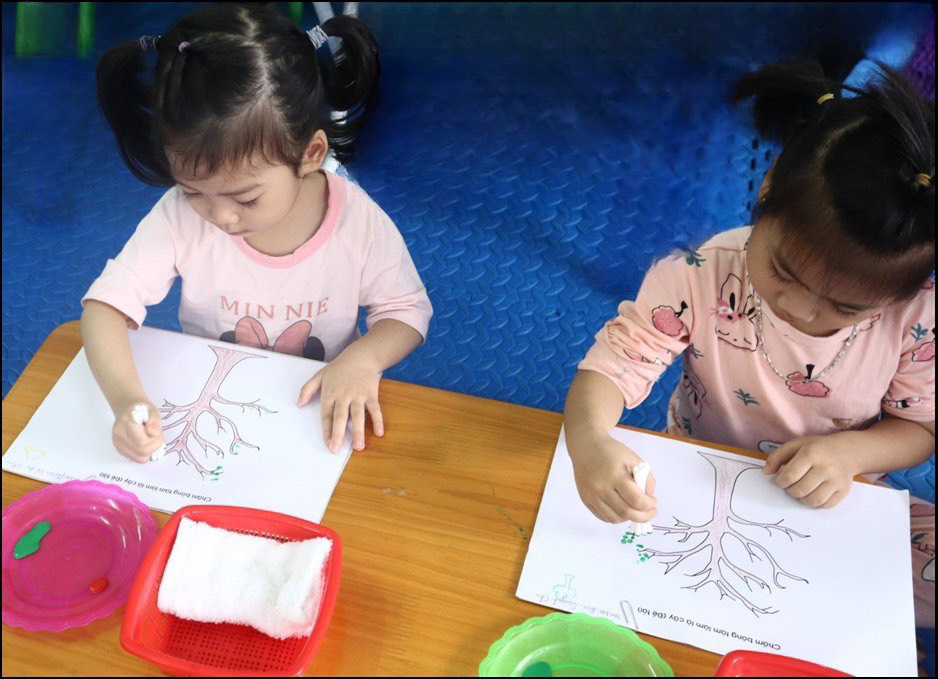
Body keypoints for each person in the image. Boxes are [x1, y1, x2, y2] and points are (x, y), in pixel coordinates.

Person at [563, 57, 934, 628]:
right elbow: (612, 367)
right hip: (698, 471)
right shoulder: (699, 271)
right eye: (783, 272)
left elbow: (920, 428)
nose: (800, 309)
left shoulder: (918, 316)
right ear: (768, 187)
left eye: (846, 308)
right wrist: (589, 441)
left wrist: (851, 455)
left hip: (841, 491)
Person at [81, 4, 432, 462]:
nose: (222, 217)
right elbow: (104, 308)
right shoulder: (180, 217)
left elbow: (406, 311)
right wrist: (127, 401)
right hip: (216, 402)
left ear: (310, 154)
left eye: (245, 199)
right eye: (193, 191)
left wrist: (363, 359)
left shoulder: (355, 223)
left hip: (314, 416)